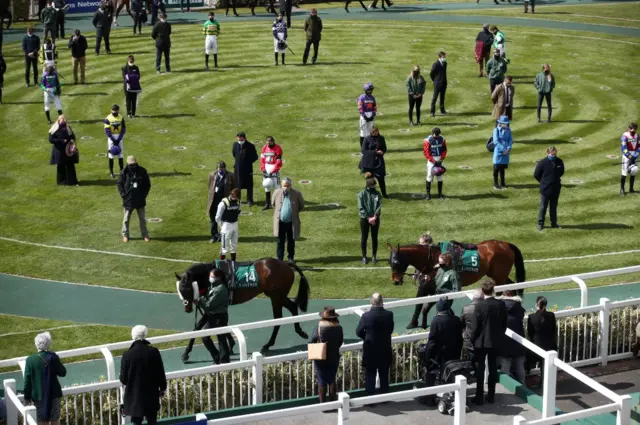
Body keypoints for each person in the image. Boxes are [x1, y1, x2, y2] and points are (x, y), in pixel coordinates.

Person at [119, 325, 167, 425]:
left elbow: (123, 379)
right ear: (145, 335)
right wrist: (162, 388)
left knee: (136, 422)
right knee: (152, 421)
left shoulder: (127, 355)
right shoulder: (153, 352)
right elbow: (160, 374)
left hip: (135, 398)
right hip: (151, 395)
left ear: (133, 336)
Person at [471, 280, 507, 405]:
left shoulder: (479, 306)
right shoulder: (501, 305)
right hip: (495, 342)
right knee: (493, 369)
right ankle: (491, 396)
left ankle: (479, 397)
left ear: (482, 291)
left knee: (480, 370)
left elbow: (475, 327)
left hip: (481, 343)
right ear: (493, 290)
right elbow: (504, 324)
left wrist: (472, 339)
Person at [23, 332, 67, 425]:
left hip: (38, 397)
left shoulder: (30, 360)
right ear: (48, 344)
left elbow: (27, 382)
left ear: (36, 344)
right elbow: (63, 373)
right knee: (55, 421)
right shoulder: (53, 357)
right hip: (53, 395)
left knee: (40, 422)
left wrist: (27, 398)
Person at [356, 293, 394, 396]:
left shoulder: (366, 316)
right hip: (384, 349)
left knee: (370, 375)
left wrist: (367, 337)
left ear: (371, 302)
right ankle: (384, 397)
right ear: (382, 301)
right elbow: (390, 330)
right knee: (384, 375)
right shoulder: (389, 314)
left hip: (370, 350)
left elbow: (358, 331)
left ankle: (370, 399)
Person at [310, 306, 344, 403]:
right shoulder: (339, 328)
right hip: (334, 357)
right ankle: (333, 403)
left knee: (321, 380)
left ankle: (323, 405)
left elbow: (312, 341)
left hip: (321, 357)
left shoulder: (318, 328)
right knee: (332, 379)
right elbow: (340, 342)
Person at [197, 269, 231, 364]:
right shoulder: (214, 287)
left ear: (218, 278)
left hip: (219, 317)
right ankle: (217, 357)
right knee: (205, 337)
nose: (210, 278)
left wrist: (200, 299)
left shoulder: (220, 289)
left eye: (212, 276)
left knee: (221, 339)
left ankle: (224, 361)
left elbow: (209, 304)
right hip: (212, 316)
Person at [117, 155, 151, 242]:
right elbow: (120, 184)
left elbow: (147, 184)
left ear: (136, 162)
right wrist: (123, 195)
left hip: (140, 199)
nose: (132, 166)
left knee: (142, 219)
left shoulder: (142, 171)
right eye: (130, 164)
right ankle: (125, 235)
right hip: (128, 200)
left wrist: (143, 195)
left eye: (133, 164)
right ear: (127, 163)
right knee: (126, 219)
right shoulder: (124, 172)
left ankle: (145, 235)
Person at [424, 299, 463, 372]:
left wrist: (427, 357)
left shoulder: (436, 321)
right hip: (456, 353)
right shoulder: (456, 319)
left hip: (442, 355)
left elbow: (432, 341)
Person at [272, 177, 304, 263]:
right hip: (281, 223)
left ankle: (290, 258)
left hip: (291, 223)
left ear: (291, 185)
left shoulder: (297, 194)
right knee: (280, 242)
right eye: (284, 185)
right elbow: (273, 204)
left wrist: (293, 213)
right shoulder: (276, 193)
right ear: (281, 186)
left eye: (288, 185)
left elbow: (301, 206)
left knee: (291, 241)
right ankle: (280, 259)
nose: (286, 187)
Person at [527, 296, 557, 386]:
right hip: (549, 345)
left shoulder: (531, 317)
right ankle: (544, 383)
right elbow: (553, 330)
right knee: (545, 365)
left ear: (537, 304)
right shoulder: (551, 315)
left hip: (536, 345)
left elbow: (530, 333)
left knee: (529, 360)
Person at [498, 290, 526, 383]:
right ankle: (523, 384)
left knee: (505, 363)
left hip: (505, 340)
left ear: (505, 294)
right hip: (519, 339)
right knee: (519, 363)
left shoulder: (500, 306)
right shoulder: (519, 307)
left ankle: (505, 385)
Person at [534, 146, 565, 231]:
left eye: (554, 154)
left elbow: (561, 172)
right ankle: (540, 224)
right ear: (548, 153)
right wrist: (544, 182)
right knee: (543, 207)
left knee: (553, 207)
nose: (553, 155)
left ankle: (554, 223)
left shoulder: (559, 161)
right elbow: (536, 175)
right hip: (545, 189)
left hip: (555, 188)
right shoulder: (542, 163)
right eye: (552, 154)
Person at [207, 161, 236, 242]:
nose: (221, 170)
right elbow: (210, 187)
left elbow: (234, 188)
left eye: (223, 168)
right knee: (213, 219)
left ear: (225, 168)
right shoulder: (212, 175)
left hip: (224, 201)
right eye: (220, 168)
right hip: (214, 201)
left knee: (224, 219)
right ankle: (214, 236)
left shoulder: (230, 175)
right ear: (217, 168)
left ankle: (222, 235)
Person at [358, 175, 382, 265]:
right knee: (364, 238)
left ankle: (374, 256)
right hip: (365, 219)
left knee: (374, 238)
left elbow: (379, 206)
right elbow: (361, 208)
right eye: (373, 185)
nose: (375, 186)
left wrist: (374, 217)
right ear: (369, 185)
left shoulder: (377, 194)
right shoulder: (361, 194)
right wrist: (369, 218)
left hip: (375, 218)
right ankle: (364, 256)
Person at [49, 115, 78, 186]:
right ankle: (61, 182)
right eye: (63, 120)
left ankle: (72, 181)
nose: (64, 122)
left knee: (70, 165)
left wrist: (72, 141)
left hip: (68, 149)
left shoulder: (68, 128)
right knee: (61, 166)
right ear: (58, 120)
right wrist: (61, 140)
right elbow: (51, 140)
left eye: (65, 120)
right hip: (59, 150)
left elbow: (73, 136)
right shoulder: (54, 129)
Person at [359, 127, 387, 197]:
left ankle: (384, 193)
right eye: (374, 132)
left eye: (377, 132)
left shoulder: (381, 138)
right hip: (369, 162)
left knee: (381, 178)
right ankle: (369, 194)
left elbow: (384, 148)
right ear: (371, 133)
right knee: (370, 180)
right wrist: (375, 152)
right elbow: (363, 151)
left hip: (379, 162)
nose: (376, 134)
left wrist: (382, 152)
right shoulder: (367, 139)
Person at [232, 132, 258, 206]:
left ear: (244, 137)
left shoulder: (250, 146)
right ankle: (237, 199)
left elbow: (255, 157)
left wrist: (247, 162)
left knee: (249, 184)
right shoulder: (235, 145)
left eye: (241, 137)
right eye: (238, 137)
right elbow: (234, 154)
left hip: (247, 169)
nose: (239, 139)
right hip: (238, 168)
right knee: (237, 184)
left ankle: (249, 200)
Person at [216, 188, 241, 261]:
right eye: (235, 196)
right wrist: (222, 226)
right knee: (224, 246)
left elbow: (238, 211)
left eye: (237, 197)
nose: (235, 198)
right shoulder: (223, 203)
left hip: (235, 224)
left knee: (234, 245)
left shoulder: (238, 202)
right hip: (226, 225)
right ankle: (221, 264)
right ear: (231, 194)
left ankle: (233, 263)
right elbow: (217, 217)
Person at [423, 126, 447, 200]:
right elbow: (426, 152)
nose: (437, 137)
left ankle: (439, 195)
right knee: (429, 176)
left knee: (440, 177)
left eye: (438, 135)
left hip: (440, 159)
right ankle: (428, 194)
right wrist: (433, 161)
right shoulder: (427, 140)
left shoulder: (442, 138)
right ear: (432, 133)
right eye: (435, 135)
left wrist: (441, 159)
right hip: (431, 160)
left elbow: (444, 150)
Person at [260, 136, 283, 210]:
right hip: (267, 168)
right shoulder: (264, 147)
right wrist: (263, 170)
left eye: (270, 141)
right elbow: (262, 160)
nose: (268, 143)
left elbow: (278, 162)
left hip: (274, 169)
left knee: (277, 187)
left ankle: (278, 203)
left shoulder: (278, 148)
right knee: (267, 186)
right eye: (267, 141)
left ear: (273, 141)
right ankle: (267, 203)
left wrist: (273, 171)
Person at [461, 289, 483, 363]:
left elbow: (462, 323)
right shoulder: (487, 309)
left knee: (471, 362)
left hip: (469, 341)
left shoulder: (465, 309)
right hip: (484, 342)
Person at [104, 104, 126, 178]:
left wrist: (119, 138)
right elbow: (107, 130)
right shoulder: (108, 118)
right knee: (111, 155)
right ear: (111, 111)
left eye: (116, 111)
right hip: (111, 137)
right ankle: (111, 172)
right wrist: (113, 139)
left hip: (119, 136)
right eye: (113, 111)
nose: (115, 113)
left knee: (121, 155)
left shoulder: (121, 117)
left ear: (118, 110)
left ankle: (121, 171)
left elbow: (123, 129)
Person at [492, 115, 512, 190]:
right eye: (505, 123)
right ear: (500, 123)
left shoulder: (508, 130)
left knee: (502, 168)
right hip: (499, 151)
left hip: (506, 152)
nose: (506, 125)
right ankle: (495, 183)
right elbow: (496, 141)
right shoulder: (496, 130)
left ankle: (503, 183)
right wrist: (504, 149)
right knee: (496, 168)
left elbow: (510, 140)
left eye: (506, 123)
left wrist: (508, 148)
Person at [619, 122, 638, 196]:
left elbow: (638, 146)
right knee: (624, 172)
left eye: (633, 129)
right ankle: (622, 189)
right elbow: (624, 148)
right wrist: (630, 157)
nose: (632, 130)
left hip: (634, 155)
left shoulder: (637, 136)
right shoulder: (625, 136)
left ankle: (631, 188)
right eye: (631, 129)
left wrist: (635, 155)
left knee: (633, 170)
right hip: (626, 156)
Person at [429, 51, 448, 118]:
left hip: (443, 83)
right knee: (434, 98)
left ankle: (442, 110)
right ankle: (432, 112)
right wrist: (434, 81)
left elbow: (444, 74)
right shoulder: (436, 64)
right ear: (440, 56)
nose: (445, 58)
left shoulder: (445, 63)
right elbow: (431, 74)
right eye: (444, 56)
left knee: (442, 98)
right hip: (437, 84)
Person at [358, 83, 377, 147]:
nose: (371, 91)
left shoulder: (373, 98)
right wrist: (364, 116)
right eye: (369, 90)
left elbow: (374, 107)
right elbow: (360, 108)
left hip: (371, 114)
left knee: (370, 132)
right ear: (366, 90)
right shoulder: (362, 97)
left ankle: (369, 146)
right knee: (363, 133)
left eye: (371, 90)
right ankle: (362, 147)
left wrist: (373, 115)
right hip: (364, 116)